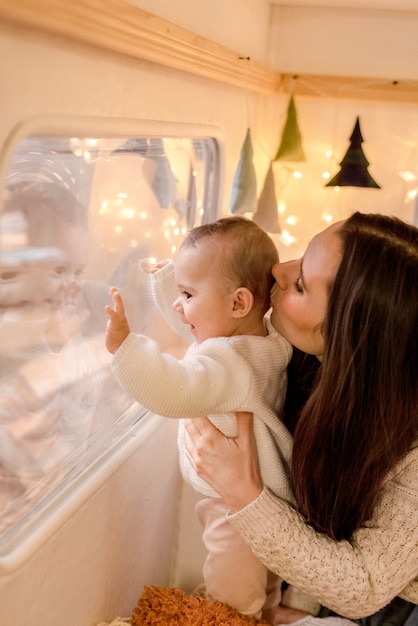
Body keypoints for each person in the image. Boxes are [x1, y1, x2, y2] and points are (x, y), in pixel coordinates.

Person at [183, 211, 418, 626]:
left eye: (301, 284)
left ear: (346, 333)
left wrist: (243, 494)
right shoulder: (299, 358)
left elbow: (362, 585)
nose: (278, 271)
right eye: (300, 256)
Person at [105, 216, 297, 621]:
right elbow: (206, 325)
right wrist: (171, 286)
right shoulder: (265, 341)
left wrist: (126, 348)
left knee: (231, 589)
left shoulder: (223, 364)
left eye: (188, 294)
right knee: (262, 576)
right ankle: (269, 608)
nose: (180, 306)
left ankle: (235, 617)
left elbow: (174, 389)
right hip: (271, 491)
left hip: (235, 505)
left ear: (239, 302)